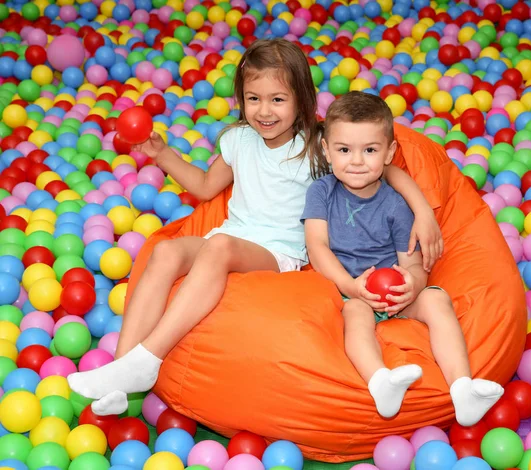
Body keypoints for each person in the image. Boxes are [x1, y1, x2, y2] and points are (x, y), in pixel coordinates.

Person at [67, 40, 443, 416]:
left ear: (301, 100)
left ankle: (149, 358)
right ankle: (123, 370)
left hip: (278, 252)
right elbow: (203, 186)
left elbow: (379, 167)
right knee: (166, 250)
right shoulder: (238, 139)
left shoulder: (314, 144)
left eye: (278, 99)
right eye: (253, 98)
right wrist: (162, 154)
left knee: (220, 247)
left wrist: (422, 210)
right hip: (231, 236)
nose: (264, 111)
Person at [301, 91, 504, 424]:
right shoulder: (321, 192)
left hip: (394, 294)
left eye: (369, 150)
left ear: (389, 154)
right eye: (343, 150)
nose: (356, 161)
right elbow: (317, 247)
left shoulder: (396, 205)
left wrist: (413, 285)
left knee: (437, 300)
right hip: (349, 290)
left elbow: (411, 263)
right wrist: (351, 287)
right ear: (326, 150)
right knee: (355, 314)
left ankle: (462, 387)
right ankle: (380, 381)